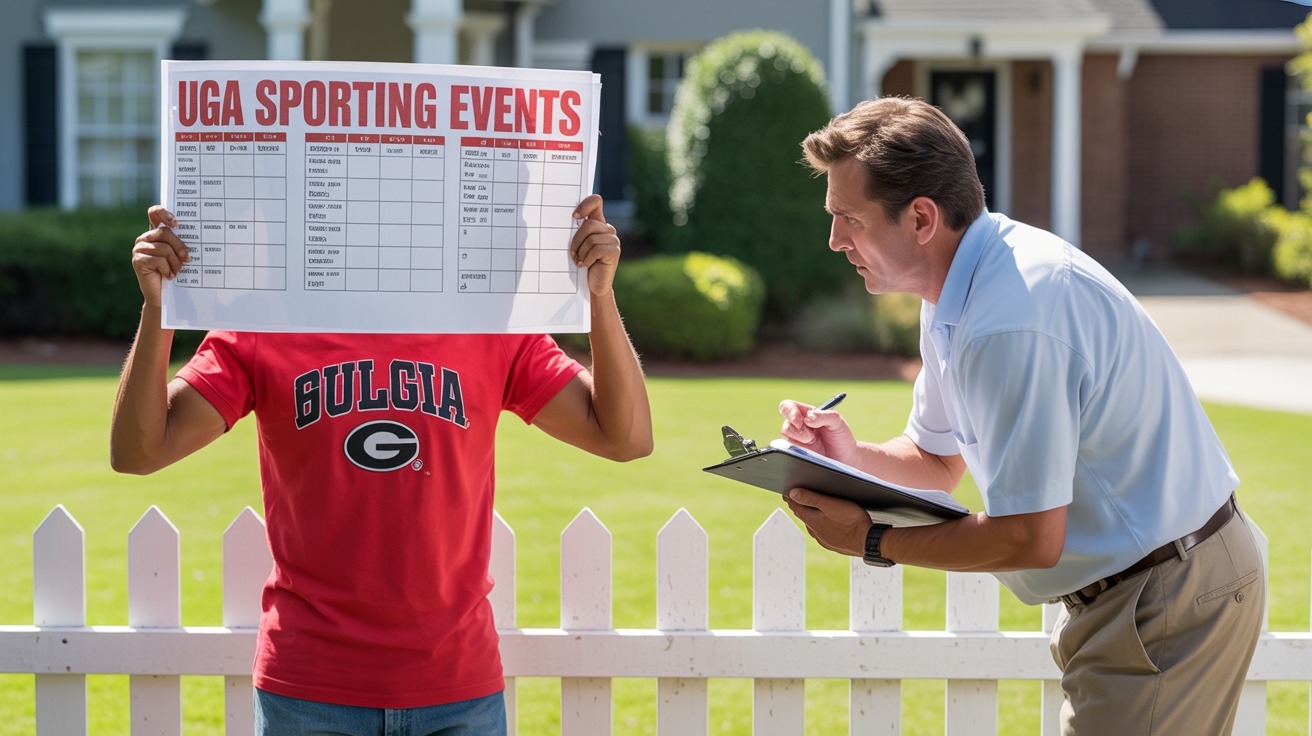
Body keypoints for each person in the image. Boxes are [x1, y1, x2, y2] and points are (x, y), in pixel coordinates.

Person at [780, 97, 1263, 735]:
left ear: (921, 218)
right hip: (1149, 584)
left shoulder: (1009, 319)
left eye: (849, 219)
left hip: (1164, 594)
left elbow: (1029, 538)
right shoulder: (958, 290)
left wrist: (871, 541)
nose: (836, 240)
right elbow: (937, 460)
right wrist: (849, 455)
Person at [110, 194, 652, 734]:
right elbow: (140, 451)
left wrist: (599, 297)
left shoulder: (490, 324)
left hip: (458, 690)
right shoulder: (262, 324)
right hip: (308, 692)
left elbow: (624, 437)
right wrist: (161, 307)